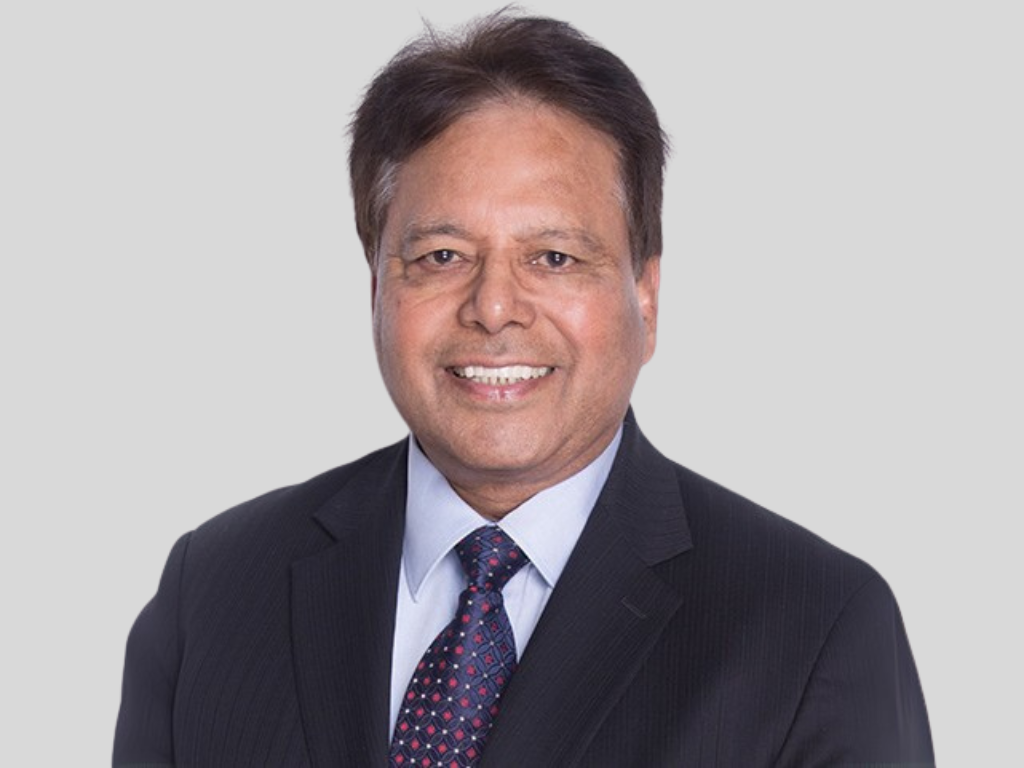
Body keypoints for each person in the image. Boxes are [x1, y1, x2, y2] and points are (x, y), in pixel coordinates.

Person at [114, 10, 933, 767]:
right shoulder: (213, 592)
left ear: (645, 297)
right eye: (441, 257)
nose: (494, 307)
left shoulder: (814, 626)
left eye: (554, 258)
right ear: (376, 288)